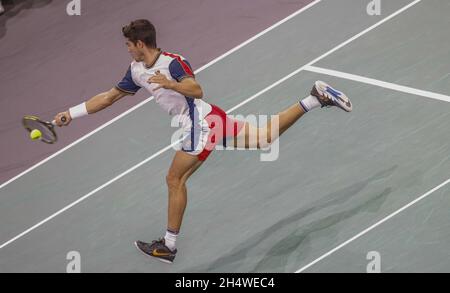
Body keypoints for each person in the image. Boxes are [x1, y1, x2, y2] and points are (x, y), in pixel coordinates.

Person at [54, 19, 352, 264]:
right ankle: (314, 98)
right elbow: (109, 97)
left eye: (129, 45)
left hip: (199, 124)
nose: (127, 50)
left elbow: (196, 89)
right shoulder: (136, 71)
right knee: (264, 138)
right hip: (209, 118)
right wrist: (71, 113)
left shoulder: (172, 63)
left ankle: (168, 246)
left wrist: (170, 83)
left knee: (174, 178)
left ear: (140, 44)